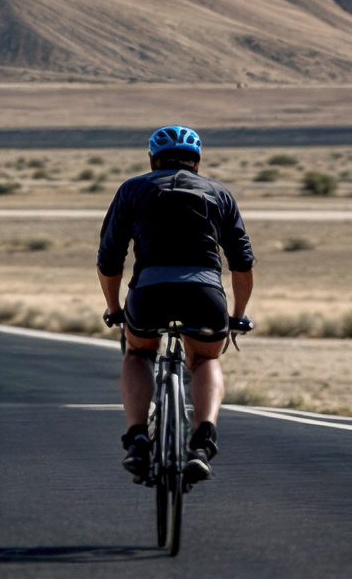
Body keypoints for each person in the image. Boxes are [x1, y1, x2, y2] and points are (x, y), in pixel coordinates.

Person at [97, 124, 255, 485]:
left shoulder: (132, 189)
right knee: (206, 358)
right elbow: (242, 263)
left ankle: (138, 438)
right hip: (205, 295)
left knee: (137, 354)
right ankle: (203, 441)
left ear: (152, 160)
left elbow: (109, 260)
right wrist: (237, 317)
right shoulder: (219, 193)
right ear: (197, 164)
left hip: (149, 293)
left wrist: (114, 309)